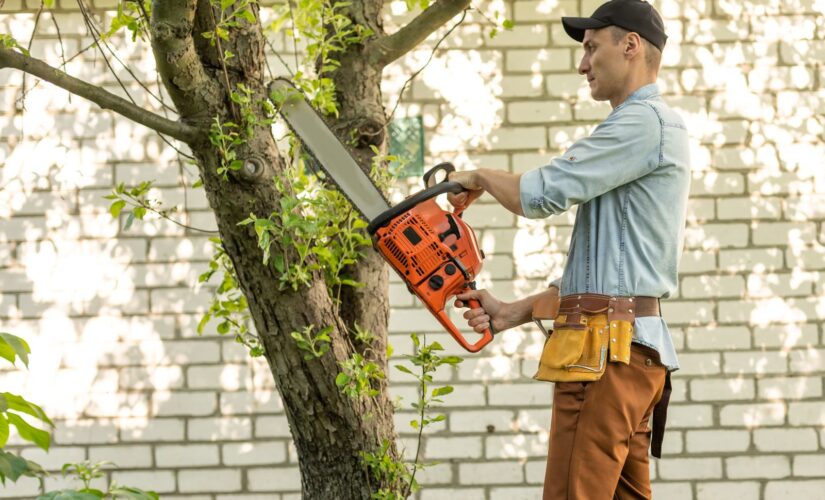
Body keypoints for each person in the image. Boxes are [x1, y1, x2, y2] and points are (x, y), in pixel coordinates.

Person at [447, 0, 690, 498]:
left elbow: (539, 195)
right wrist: (513, 312)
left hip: (607, 356)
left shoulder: (641, 124)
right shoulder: (643, 132)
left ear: (630, 46)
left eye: (590, 48)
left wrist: (481, 176)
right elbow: (606, 273)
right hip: (626, 350)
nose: (582, 65)